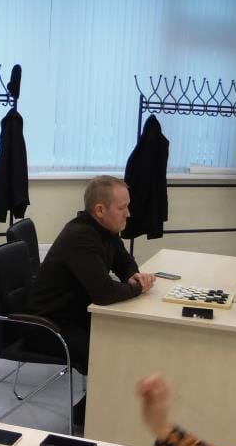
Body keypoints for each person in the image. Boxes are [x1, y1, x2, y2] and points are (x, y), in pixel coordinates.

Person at [27, 175, 155, 426]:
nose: (128, 214)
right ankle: (87, 418)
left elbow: (124, 262)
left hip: (74, 315)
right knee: (110, 351)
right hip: (47, 327)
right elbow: (104, 293)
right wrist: (138, 288)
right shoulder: (81, 237)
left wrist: (133, 276)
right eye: (122, 208)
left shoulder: (105, 230)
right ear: (100, 210)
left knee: (128, 338)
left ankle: (97, 410)